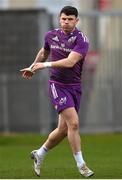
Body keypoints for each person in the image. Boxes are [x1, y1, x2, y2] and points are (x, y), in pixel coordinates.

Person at [21, 6, 94, 178]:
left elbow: (70, 62)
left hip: (75, 86)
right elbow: (44, 52)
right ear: (59, 19)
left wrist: (44, 65)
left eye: (70, 19)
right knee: (74, 124)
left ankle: (40, 153)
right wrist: (33, 67)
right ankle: (82, 165)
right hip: (57, 85)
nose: (66, 22)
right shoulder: (50, 35)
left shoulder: (81, 39)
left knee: (63, 129)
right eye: (63, 19)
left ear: (77, 20)